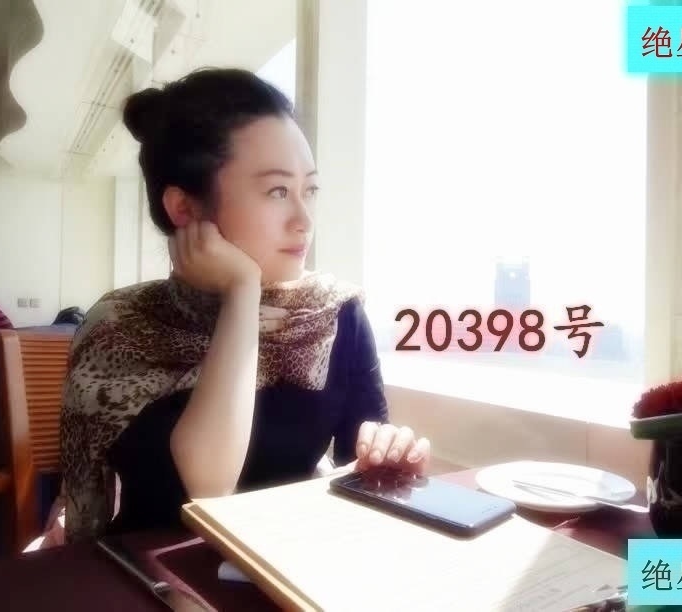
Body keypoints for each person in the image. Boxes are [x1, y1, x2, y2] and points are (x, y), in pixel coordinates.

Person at [56, 67, 432, 544]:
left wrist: (388, 460)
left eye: (309, 190)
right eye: (277, 191)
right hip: (150, 573)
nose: (304, 220)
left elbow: (356, 466)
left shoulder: (333, 314)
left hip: (289, 565)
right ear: (184, 209)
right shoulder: (121, 327)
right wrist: (241, 291)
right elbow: (210, 487)